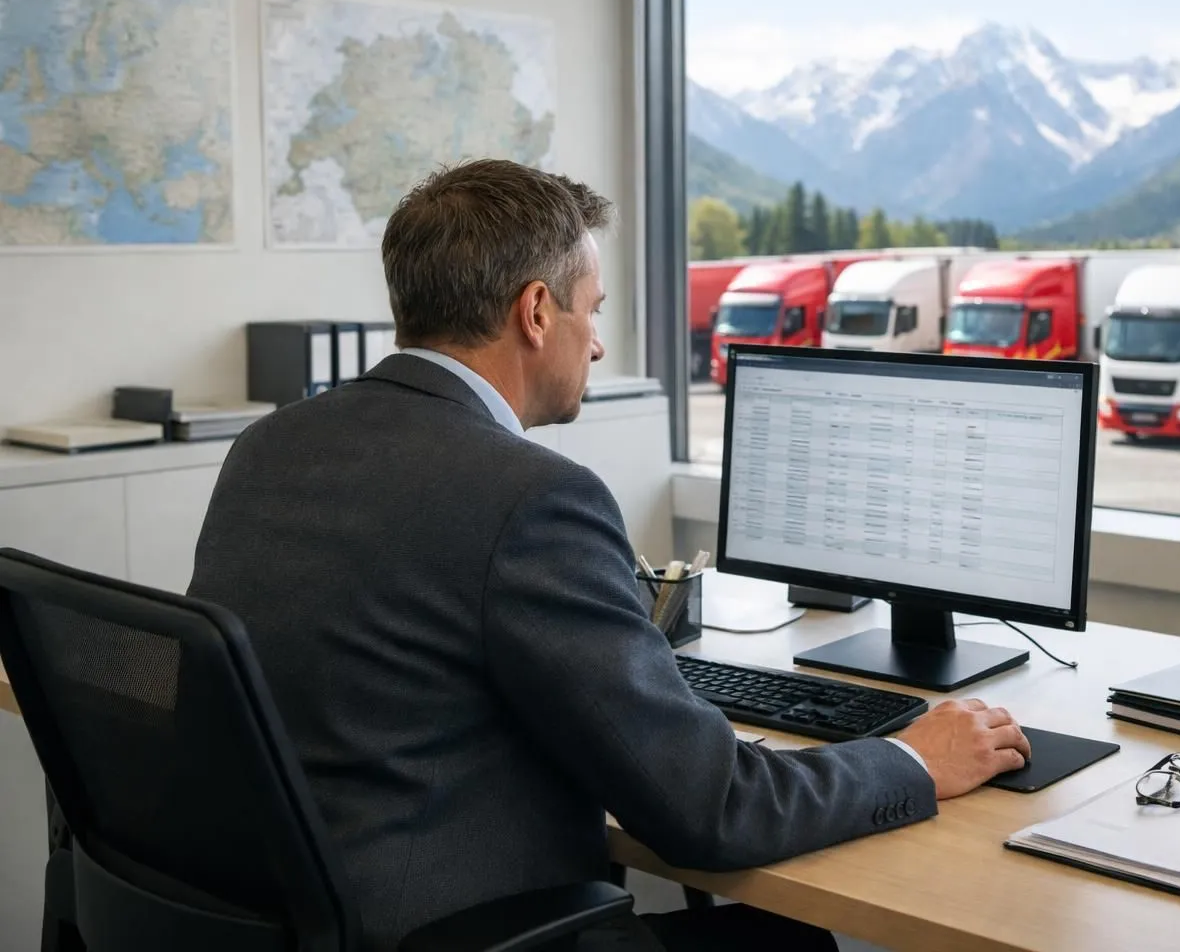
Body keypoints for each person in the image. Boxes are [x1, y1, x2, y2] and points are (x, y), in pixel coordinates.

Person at [187, 159, 1031, 952]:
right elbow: (714, 811)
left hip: (297, 912)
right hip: (454, 924)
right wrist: (914, 759)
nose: (595, 344)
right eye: (591, 311)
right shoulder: (529, 497)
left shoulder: (274, 445)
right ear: (535, 312)